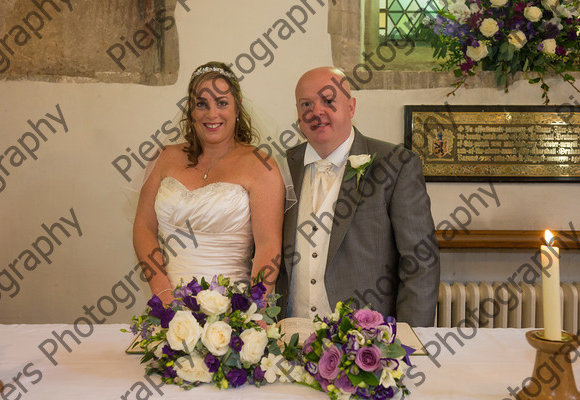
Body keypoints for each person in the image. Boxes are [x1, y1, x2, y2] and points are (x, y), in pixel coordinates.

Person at [278, 66, 440, 327]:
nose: (316, 111)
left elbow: (420, 262)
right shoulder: (283, 166)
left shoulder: (396, 164)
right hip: (290, 333)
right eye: (306, 103)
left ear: (351, 107)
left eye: (329, 101)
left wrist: (412, 339)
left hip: (366, 342)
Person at [133, 61, 284, 305]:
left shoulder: (260, 165)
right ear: (191, 110)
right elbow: (143, 228)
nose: (211, 114)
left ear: (237, 108)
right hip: (169, 307)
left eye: (222, 103)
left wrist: (256, 309)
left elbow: (269, 246)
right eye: (201, 104)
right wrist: (163, 295)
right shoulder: (164, 158)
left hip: (234, 312)